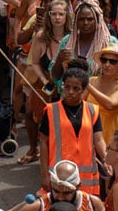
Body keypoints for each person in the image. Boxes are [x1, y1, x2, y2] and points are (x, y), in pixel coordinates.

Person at [39, 68, 106, 196]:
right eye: (67, 87)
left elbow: (98, 139)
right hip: (59, 176)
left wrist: (105, 159)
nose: (70, 92)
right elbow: (43, 143)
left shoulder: (93, 110)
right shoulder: (51, 110)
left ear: (84, 90)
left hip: (85, 179)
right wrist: (44, 175)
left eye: (76, 89)